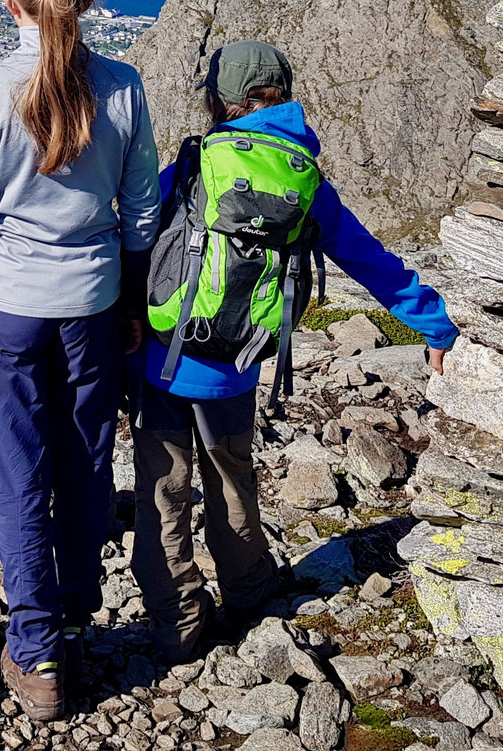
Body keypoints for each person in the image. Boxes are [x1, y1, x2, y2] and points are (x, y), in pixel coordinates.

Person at [132, 40, 455, 663]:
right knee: (232, 479)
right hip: (237, 365)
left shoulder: (198, 163)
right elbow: (369, 260)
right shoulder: (305, 177)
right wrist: (435, 327)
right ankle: (252, 600)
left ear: (219, 101)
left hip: (163, 360)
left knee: (163, 492)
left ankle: (179, 628)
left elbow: (142, 238)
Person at [0, 0, 161, 723]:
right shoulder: (123, 86)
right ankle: (73, 610)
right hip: (93, 303)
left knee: (19, 475)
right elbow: (141, 214)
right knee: (84, 461)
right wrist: (131, 304)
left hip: (5, 307)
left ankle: (35, 653)